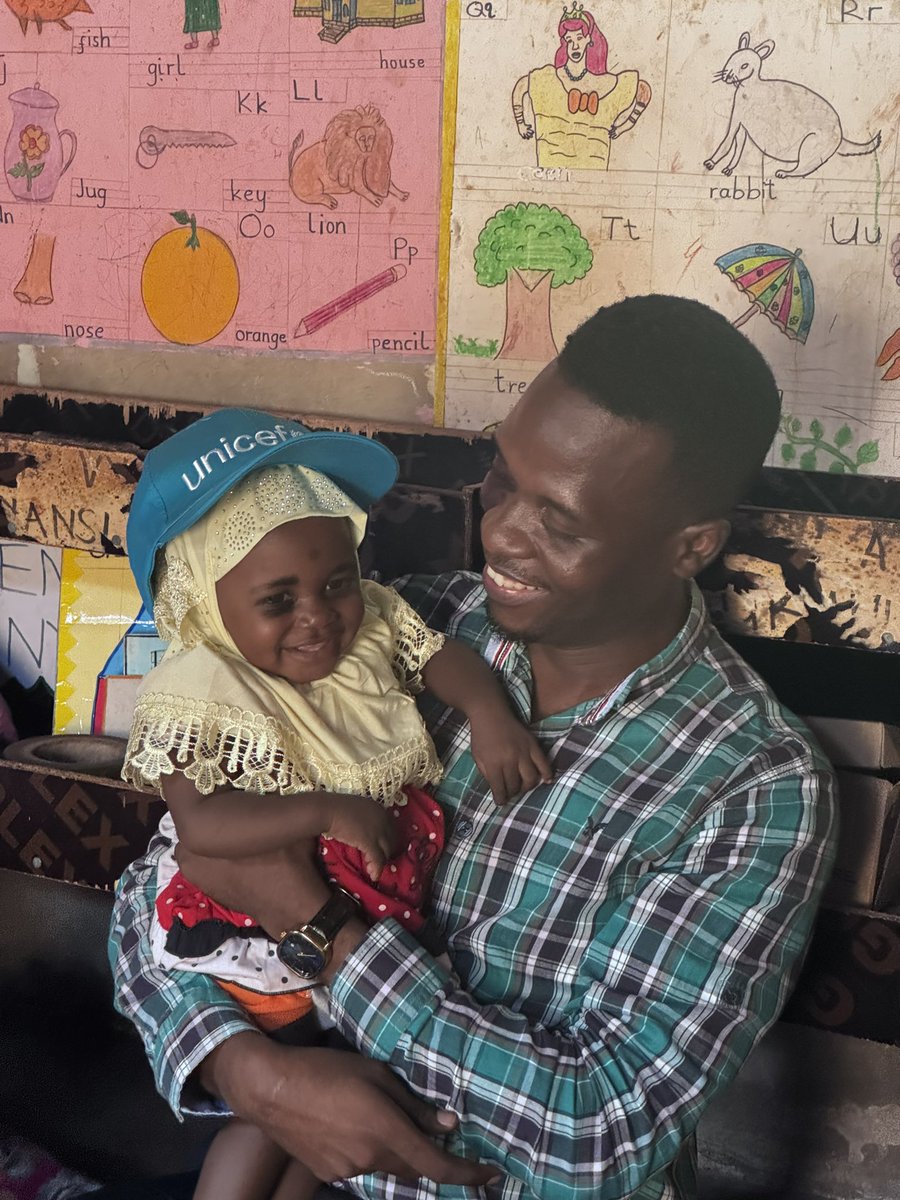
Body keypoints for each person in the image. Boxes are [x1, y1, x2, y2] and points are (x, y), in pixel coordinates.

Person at [110, 295, 837, 1200]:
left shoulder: (749, 783)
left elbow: (595, 1136)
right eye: (504, 477)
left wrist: (324, 933)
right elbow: (154, 890)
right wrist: (250, 1074)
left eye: (558, 523)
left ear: (688, 547)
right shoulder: (397, 629)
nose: (500, 532)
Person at [117, 412, 551, 1200]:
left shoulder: (373, 626)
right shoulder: (197, 688)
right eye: (278, 600)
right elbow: (204, 829)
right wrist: (325, 809)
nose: (319, 615)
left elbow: (438, 655)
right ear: (208, 604)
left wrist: (489, 713)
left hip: (359, 930)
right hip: (252, 940)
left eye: (336, 583)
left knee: (318, 1132)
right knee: (265, 1118)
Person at [510, 5, 652, 170]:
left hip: (593, 174)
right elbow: (521, 86)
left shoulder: (606, 83)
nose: (574, 46)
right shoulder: (547, 78)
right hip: (550, 172)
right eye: (569, 40)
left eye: (579, 38)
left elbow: (643, 89)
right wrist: (520, 123)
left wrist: (625, 126)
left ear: (589, 40)